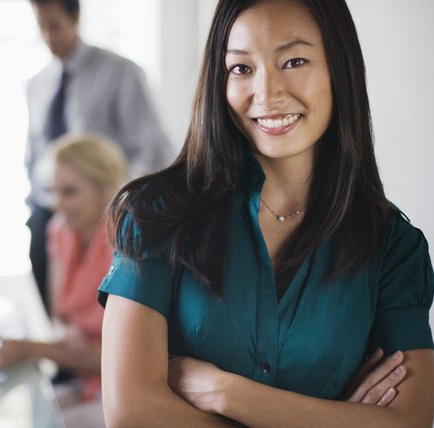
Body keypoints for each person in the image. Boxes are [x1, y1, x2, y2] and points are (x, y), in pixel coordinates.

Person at [98, 0, 434, 426]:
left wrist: (226, 391)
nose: (267, 93)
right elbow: (132, 415)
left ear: (340, 69)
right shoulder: (157, 216)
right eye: (241, 68)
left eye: (294, 61)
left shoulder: (393, 247)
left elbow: (411, 421)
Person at [25, 0, 175, 314]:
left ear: (75, 18)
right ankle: (66, 356)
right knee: (59, 309)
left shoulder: (119, 72)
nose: (48, 37)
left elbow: (152, 149)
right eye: (41, 27)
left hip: (104, 209)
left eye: (55, 25)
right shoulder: (37, 84)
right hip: (50, 208)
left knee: (104, 307)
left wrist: (115, 199)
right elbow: (35, 152)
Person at [0, 134, 126, 427]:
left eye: (69, 192)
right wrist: (65, 332)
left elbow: (119, 359)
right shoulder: (60, 230)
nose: (57, 204)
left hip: (122, 386)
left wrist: (31, 348)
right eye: (53, 192)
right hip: (84, 379)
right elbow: (60, 317)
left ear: (104, 191)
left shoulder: (126, 242)